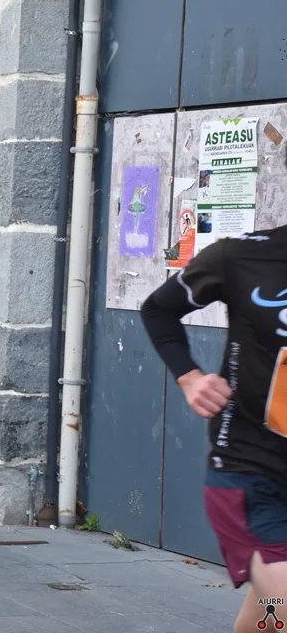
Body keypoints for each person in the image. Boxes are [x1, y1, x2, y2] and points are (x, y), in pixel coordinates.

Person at [140, 228, 287, 632]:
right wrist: (190, 377)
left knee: (270, 615)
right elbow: (158, 308)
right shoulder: (240, 257)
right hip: (251, 477)